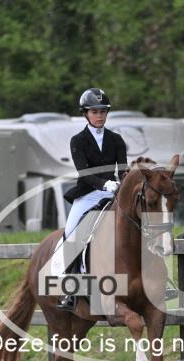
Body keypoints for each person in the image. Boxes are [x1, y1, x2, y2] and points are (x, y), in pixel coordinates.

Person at [57, 88, 128, 311]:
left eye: (103, 111)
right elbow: (84, 173)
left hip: (114, 193)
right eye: (95, 112)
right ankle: (70, 288)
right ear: (85, 114)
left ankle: (160, 279)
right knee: (71, 233)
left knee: (142, 225)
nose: (99, 116)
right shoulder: (78, 140)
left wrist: (123, 183)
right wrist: (105, 184)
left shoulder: (116, 140)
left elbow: (123, 169)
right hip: (88, 195)